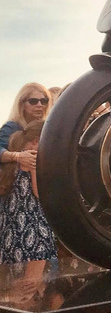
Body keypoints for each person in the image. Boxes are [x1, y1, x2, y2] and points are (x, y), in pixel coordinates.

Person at [0, 121, 57, 263]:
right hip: (33, 231)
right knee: (36, 283)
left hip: (9, 232)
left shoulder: (13, 159)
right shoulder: (32, 160)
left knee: (12, 281)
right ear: (37, 140)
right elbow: (39, 194)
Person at [0, 82, 51, 169]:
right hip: (16, 179)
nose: (40, 105)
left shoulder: (47, 127)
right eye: (33, 101)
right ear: (21, 104)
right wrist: (17, 156)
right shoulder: (12, 127)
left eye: (44, 101)